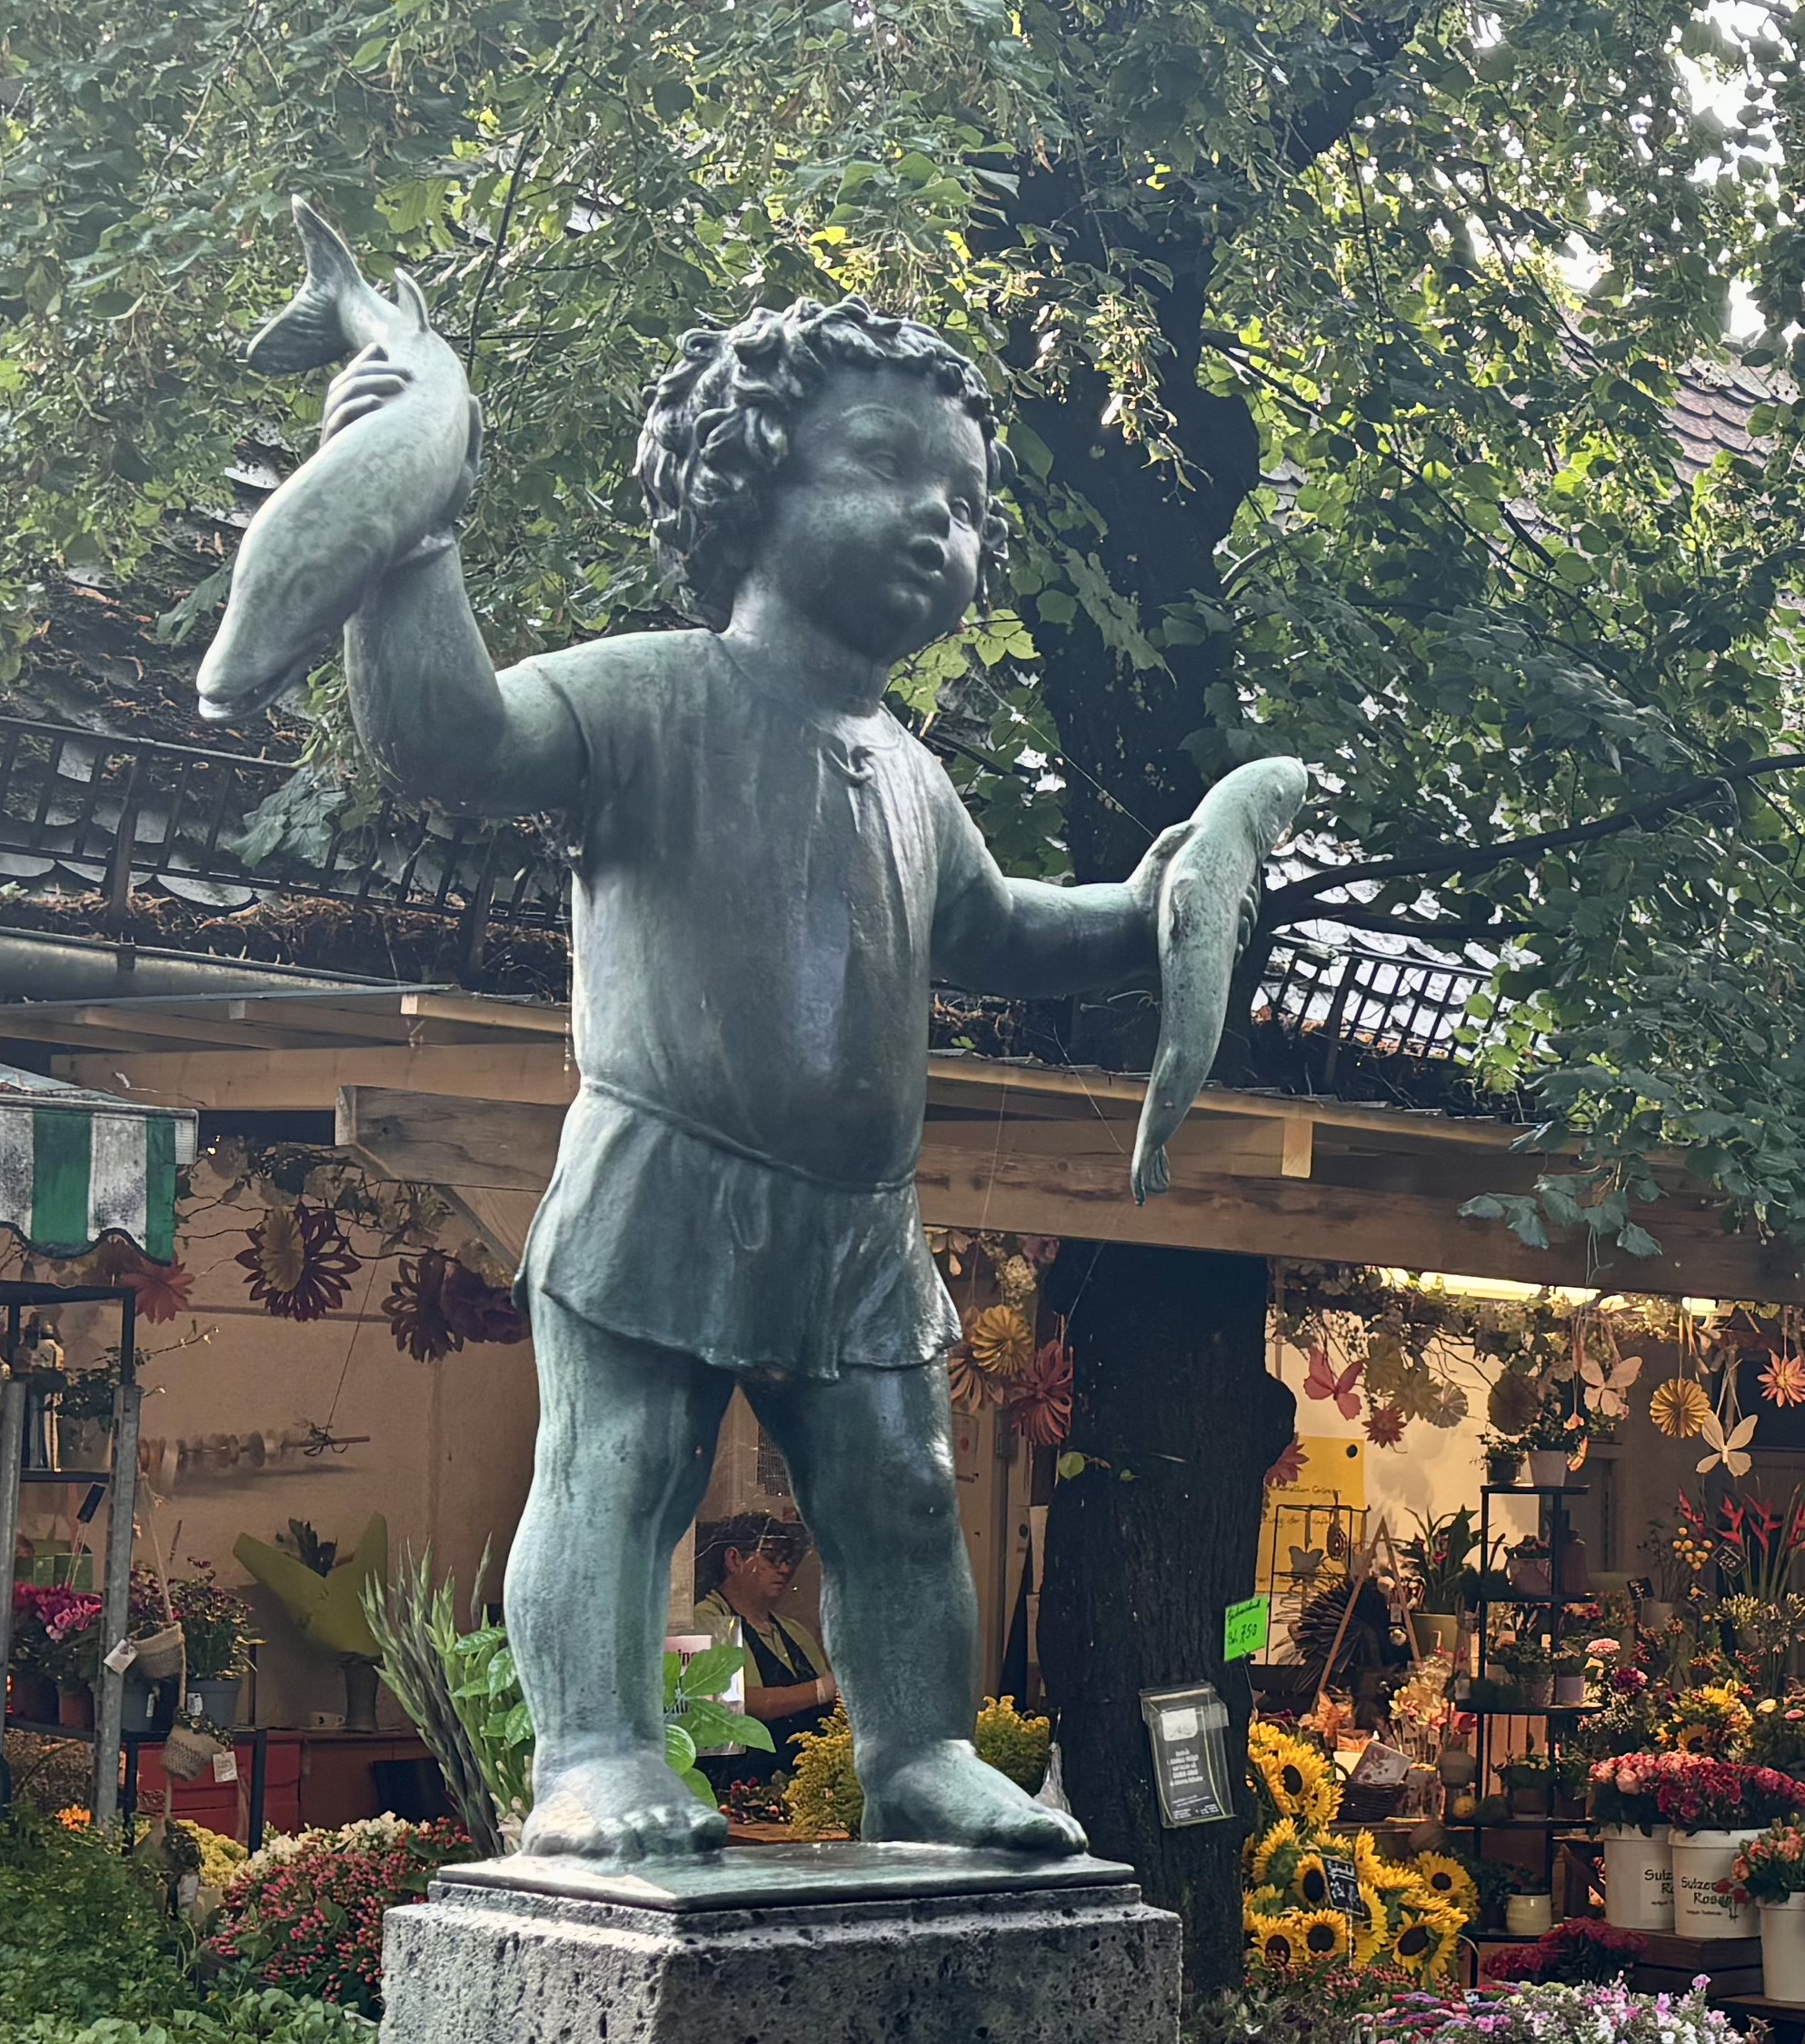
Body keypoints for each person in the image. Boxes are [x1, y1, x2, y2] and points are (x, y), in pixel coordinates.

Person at [319, 287, 1293, 1861]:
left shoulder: (912, 775)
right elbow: (451, 736)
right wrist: (403, 536)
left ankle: (919, 1751)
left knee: (903, 1497)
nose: (939, 520)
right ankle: (591, 1750)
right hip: (665, 1170)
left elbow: (998, 930)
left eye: (968, 503)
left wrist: (1153, 904)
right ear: (745, 479)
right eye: (889, 470)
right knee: (623, 1467)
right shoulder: (645, 694)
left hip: (854, 1218)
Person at [696, 1514, 838, 1748]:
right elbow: (736, 1702)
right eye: (772, 1558)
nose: (784, 1569)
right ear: (734, 1559)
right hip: (740, 1779)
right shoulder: (705, 1621)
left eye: (788, 1560)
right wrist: (822, 1689)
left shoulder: (794, 1631)